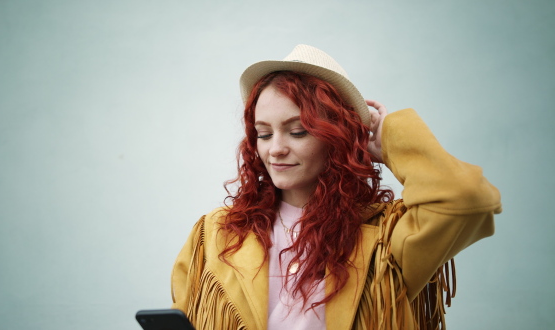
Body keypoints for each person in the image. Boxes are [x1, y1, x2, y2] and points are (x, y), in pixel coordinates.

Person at [170, 44, 502, 330]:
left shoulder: (387, 239)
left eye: (297, 131)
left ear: (336, 138)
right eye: (264, 133)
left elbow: (466, 196)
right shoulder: (214, 236)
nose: (276, 149)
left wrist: (391, 141)